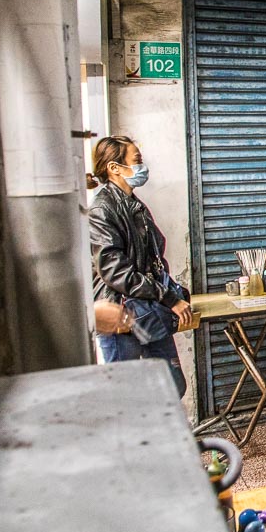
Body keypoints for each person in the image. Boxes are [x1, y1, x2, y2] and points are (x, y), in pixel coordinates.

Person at [88, 135, 191, 394]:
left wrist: (174, 291)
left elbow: (152, 259)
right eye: (137, 161)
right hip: (121, 316)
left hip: (147, 308)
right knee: (125, 394)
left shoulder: (134, 205)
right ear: (114, 168)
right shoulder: (103, 209)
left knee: (172, 385)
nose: (142, 166)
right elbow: (115, 270)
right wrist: (169, 298)